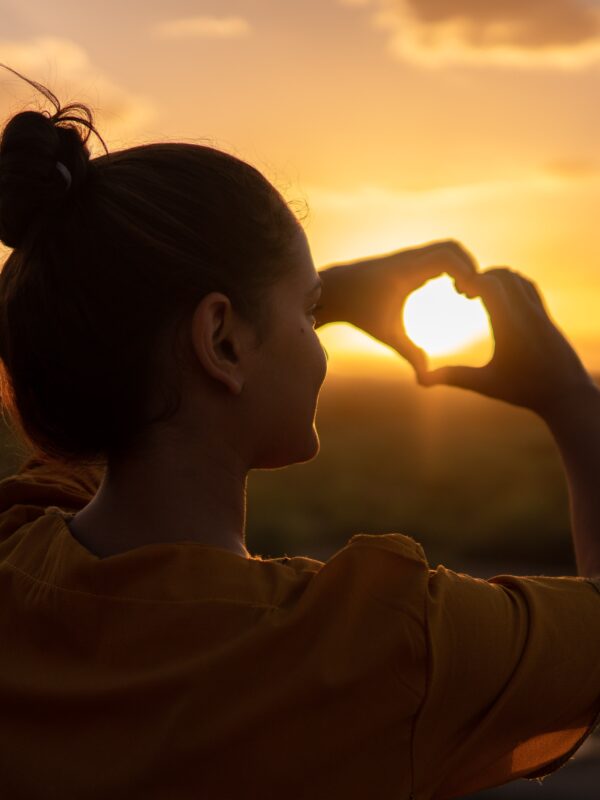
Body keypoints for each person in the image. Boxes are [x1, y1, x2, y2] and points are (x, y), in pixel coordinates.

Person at [0, 69, 598, 800]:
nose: (317, 341)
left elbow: (123, 381)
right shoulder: (379, 648)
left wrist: (302, 297)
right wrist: (572, 400)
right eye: (309, 313)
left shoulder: (16, 544)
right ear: (221, 341)